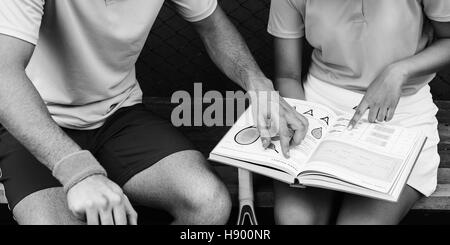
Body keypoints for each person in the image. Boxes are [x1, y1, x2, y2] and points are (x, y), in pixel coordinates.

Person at [0, 0, 308, 225]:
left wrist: (257, 83)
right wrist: (78, 171)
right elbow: (4, 75)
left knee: (208, 203)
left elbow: (213, 24)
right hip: (40, 124)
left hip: (118, 114)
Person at [268, 0, 450, 225]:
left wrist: (399, 72)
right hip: (319, 112)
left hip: (399, 114)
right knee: (294, 220)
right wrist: (302, 122)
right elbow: (288, 76)